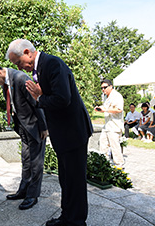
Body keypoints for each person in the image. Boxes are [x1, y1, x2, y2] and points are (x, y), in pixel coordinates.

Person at [6, 39, 93, 226]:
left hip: (73, 132)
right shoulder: (40, 68)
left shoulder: (52, 63)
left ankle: (76, 222)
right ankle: (66, 217)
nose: (19, 67)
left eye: (18, 62)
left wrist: (39, 97)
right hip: (63, 134)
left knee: (75, 182)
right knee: (66, 180)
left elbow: (63, 99)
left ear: (27, 52)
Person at [0, 61, 48, 210]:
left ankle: (32, 195)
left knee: (36, 164)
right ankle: (23, 190)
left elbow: (37, 103)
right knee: (26, 159)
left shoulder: (20, 78)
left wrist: (44, 127)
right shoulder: (7, 82)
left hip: (35, 126)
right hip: (23, 127)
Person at [95, 79, 124, 167]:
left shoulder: (117, 96)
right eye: (102, 88)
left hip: (115, 125)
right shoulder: (105, 96)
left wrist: (106, 110)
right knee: (102, 144)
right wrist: (100, 108)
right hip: (107, 125)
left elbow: (119, 109)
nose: (103, 89)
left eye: (105, 87)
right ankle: (104, 164)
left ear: (110, 87)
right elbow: (105, 107)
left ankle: (119, 165)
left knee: (115, 147)